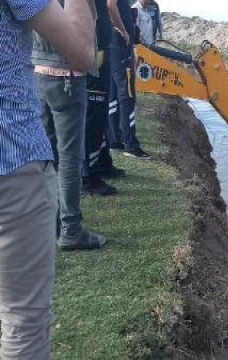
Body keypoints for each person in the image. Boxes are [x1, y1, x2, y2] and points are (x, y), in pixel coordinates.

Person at [1, 0, 96, 356]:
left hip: (41, 82)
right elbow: (82, 52)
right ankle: (71, 227)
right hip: (11, 158)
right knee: (23, 323)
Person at [33, 2, 107, 250]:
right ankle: (71, 228)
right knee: (70, 157)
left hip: (39, 71)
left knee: (48, 153)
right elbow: (83, 48)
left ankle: (50, 223)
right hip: (66, 76)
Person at [83, 0, 128, 196]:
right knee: (93, 118)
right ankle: (88, 176)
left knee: (100, 117)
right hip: (94, 57)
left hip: (102, 51)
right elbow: (108, 5)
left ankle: (102, 161)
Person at [107, 0, 151, 159]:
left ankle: (114, 140)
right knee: (128, 95)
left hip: (117, 47)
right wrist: (123, 30)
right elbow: (110, 5)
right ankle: (131, 145)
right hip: (119, 46)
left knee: (114, 94)